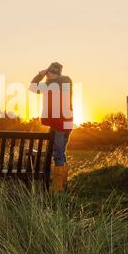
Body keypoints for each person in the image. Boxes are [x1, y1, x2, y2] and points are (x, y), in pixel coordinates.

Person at [29, 62, 73, 192]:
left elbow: (32, 87)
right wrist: (43, 74)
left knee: (58, 154)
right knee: (60, 153)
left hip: (59, 124)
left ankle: (58, 188)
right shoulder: (64, 81)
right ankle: (62, 184)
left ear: (53, 73)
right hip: (65, 123)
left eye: (49, 73)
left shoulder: (58, 82)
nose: (47, 76)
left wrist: (41, 75)